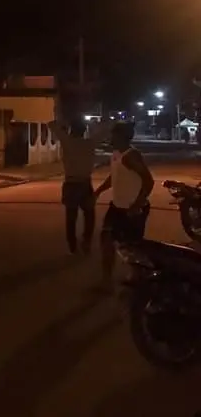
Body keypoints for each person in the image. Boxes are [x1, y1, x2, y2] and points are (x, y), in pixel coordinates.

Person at [94, 122, 154, 290]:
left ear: (121, 136)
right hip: (117, 207)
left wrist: (137, 204)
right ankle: (106, 282)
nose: (110, 136)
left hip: (132, 209)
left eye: (113, 134)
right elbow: (114, 176)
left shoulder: (131, 156)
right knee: (106, 239)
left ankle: (142, 280)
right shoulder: (116, 154)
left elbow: (148, 181)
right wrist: (98, 191)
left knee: (133, 247)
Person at [48, 118, 111, 256]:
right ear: (84, 131)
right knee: (89, 215)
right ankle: (86, 241)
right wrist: (95, 124)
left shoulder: (67, 141)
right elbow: (106, 130)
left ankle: (72, 246)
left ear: (71, 130)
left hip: (70, 183)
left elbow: (51, 124)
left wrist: (63, 122)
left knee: (71, 217)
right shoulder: (90, 143)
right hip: (85, 182)